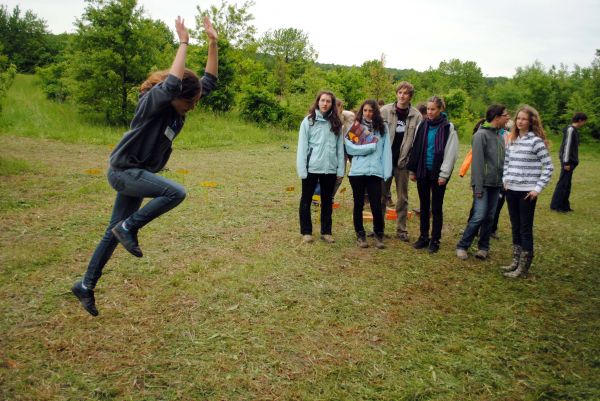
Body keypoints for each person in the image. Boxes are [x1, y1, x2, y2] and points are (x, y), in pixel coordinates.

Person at [71, 16, 219, 316]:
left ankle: (86, 285)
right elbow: (173, 82)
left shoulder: (181, 105)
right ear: (175, 96)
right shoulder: (152, 103)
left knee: (112, 233)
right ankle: (129, 227)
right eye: (189, 102)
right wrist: (184, 43)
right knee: (175, 193)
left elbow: (209, 81)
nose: (192, 107)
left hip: (138, 174)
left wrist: (213, 43)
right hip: (124, 171)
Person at [501, 105, 553, 278]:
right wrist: (505, 181)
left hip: (527, 193)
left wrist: (537, 189)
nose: (520, 121)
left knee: (525, 228)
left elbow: (549, 167)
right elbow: (507, 163)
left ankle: (524, 267)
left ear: (531, 121)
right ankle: (515, 261)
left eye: (524, 119)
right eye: (518, 118)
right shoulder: (512, 139)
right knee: (515, 226)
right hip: (511, 190)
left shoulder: (536, 142)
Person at [456, 105, 509, 260]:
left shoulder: (500, 136)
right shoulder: (481, 135)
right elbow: (477, 163)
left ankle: (483, 247)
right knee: (479, 215)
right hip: (483, 184)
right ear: (497, 117)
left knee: (490, 217)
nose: (508, 118)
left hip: (496, 184)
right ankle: (462, 245)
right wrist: (478, 187)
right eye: (506, 115)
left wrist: (503, 182)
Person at [407, 96, 458, 253]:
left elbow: (451, 154)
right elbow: (415, 148)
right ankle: (423, 237)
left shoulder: (448, 128)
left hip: (438, 173)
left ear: (440, 109)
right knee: (424, 206)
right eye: (428, 109)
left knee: (436, 208)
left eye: (433, 109)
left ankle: (435, 240)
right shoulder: (422, 125)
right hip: (423, 171)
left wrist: (444, 174)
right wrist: (413, 170)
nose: (429, 112)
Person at [297, 91, 345, 244]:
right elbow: (302, 146)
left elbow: (339, 149)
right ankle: (306, 232)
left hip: (329, 168)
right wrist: (302, 169)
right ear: (318, 102)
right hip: (311, 168)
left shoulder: (337, 124)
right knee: (306, 199)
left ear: (332, 104)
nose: (325, 104)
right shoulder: (308, 121)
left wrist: (340, 169)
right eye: (322, 100)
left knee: (327, 200)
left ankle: (326, 231)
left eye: (328, 101)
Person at [345, 100, 392, 249]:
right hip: (358, 171)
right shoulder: (356, 127)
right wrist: (370, 146)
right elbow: (351, 149)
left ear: (375, 112)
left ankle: (379, 235)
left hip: (375, 172)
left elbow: (386, 151)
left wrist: (387, 171)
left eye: (371, 111)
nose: (368, 113)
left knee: (376, 205)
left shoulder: (382, 128)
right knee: (358, 204)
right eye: (365, 110)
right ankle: (360, 234)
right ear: (362, 111)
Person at [380, 82, 423, 242]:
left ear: (410, 96)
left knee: (402, 198)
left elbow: (417, 142)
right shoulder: (384, 111)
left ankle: (401, 230)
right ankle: (379, 227)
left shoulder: (417, 115)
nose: (402, 95)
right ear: (396, 94)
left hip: (403, 163)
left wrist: (413, 165)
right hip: (385, 161)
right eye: (400, 92)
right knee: (381, 196)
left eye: (406, 93)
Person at [550, 112, 588, 213]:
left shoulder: (574, 130)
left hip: (571, 161)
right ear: (580, 120)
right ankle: (557, 206)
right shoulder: (571, 129)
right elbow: (567, 146)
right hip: (567, 161)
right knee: (563, 183)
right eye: (584, 121)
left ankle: (564, 205)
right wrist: (566, 162)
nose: (584, 123)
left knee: (567, 184)